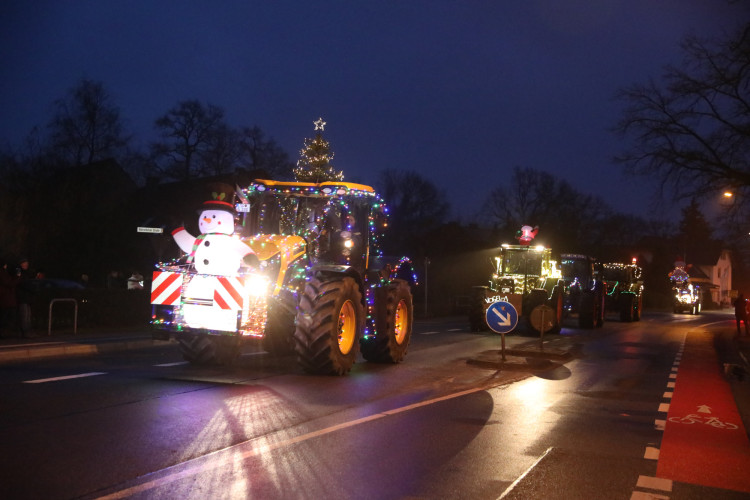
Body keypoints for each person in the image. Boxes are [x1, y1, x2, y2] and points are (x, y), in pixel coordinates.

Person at [15, 257, 35, 337]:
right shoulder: (18, 271)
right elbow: (19, 282)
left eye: (27, 263)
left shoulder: (27, 272)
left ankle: (28, 331)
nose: (26, 265)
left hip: (27, 296)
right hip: (22, 296)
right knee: (24, 315)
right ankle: (25, 332)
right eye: (24, 263)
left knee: (28, 315)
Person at [0, 259, 19, 338]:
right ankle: (4, 333)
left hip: (6, 299)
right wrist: (17, 278)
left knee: (6, 316)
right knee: (6, 316)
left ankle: (5, 333)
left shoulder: (4, 273)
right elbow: (9, 283)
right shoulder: (2, 272)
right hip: (6, 299)